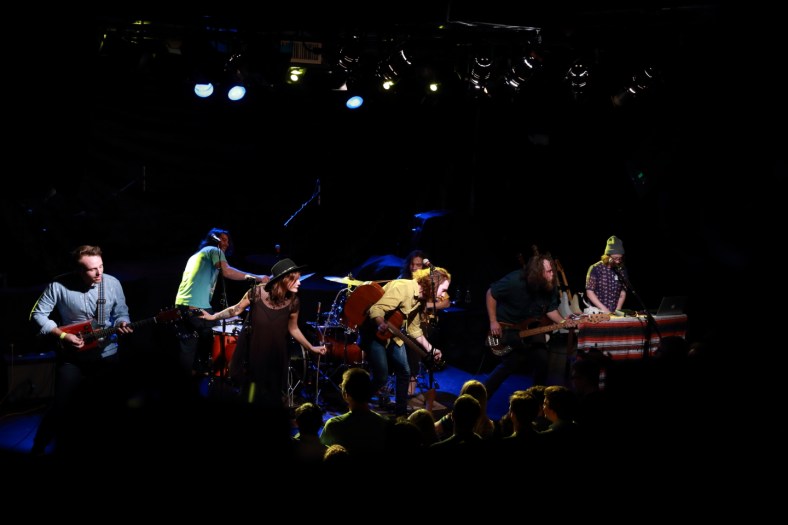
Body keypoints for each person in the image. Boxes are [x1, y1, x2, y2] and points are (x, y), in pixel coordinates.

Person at [28, 245, 134, 455]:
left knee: (109, 406)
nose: (98, 272)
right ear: (78, 270)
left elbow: (121, 312)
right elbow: (37, 314)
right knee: (60, 406)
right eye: (92, 269)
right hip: (73, 357)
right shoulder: (58, 285)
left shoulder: (112, 283)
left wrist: (123, 322)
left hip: (106, 354)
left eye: (101, 266)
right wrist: (62, 335)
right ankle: (38, 449)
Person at [199, 258, 326, 408]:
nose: (299, 283)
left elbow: (293, 328)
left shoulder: (293, 301)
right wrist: (213, 316)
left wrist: (311, 348)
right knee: (251, 395)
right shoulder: (256, 292)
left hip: (276, 355)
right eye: (295, 280)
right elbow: (236, 309)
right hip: (254, 353)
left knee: (272, 397)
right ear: (284, 280)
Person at [483, 246, 577, 403]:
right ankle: (480, 397)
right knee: (510, 363)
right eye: (549, 272)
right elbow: (491, 293)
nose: (552, 275)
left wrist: (563, 322)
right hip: (508, 327)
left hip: (532, 328)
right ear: (537, 273)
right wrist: (493, 321)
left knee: (542, 362)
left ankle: (536, 404)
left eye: (552, 271)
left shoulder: (550, 285)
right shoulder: (515, 280)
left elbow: (551, 310)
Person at [174, 228, 268, 378]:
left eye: (227, 241)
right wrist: (259, 278)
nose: (226, 243)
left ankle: (188, 380)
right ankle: (223, 374)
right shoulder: (214, 250)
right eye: (223, 239)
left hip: (181, 305)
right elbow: (227, 271)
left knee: (188, 345)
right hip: (196, 306)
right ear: (214, 239)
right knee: (224, 327)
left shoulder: (196, 256)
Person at [361, 266, 450, 416]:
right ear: (433, 284)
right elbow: (376, 309)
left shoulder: (420, 300)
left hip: (394, 334)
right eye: (443, 290)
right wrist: (380, 323)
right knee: (381, 377)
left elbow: (414, 330)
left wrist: (431, 349)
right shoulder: (403, 288)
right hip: (374, 333)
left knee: (405, 372)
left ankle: (400, 414)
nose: (443, 296)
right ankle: (357, 402)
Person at [398, 249, 450, 395]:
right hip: (404, 322)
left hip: (425, 323)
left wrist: (426, 305)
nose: (414, 268)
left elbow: (446, 302)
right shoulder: (402, 279)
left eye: (418, 265)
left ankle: (411, 382)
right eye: (412, 264)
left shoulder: (430, 281)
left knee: (413, 340)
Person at [585, 235, 627, 314]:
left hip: (614, 313)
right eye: (615, 258)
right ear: (607, 256)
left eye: (620, 258)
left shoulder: (621, 269)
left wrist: (617, 311)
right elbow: (590, 293)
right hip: (598, 313)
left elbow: (622, 293)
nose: (618, 261)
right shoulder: (596, 268)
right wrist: (606, 311)